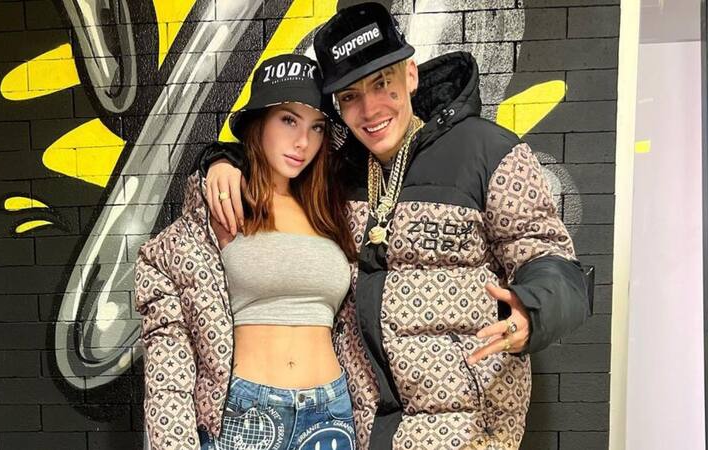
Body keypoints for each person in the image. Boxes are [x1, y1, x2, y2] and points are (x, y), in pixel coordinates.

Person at [200, 3, 590, 449]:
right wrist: (221, 160)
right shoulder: (339, 170)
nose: (370, 109)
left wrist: (533, 311)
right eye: (350, 96)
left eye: (382, 83)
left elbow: (547, 254)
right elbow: (276, 154)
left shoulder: (487, 151)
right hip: (357, 426)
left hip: (462, 428)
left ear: (410, 75)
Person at [135, 53, 361, 450]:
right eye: (288, 120)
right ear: (260, 121)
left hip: (331, 411)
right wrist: (219, 158)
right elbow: (168, 336)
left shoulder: (334, 211)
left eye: (317, 127)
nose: (303, 142)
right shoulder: (223, 204)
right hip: (244, 410)